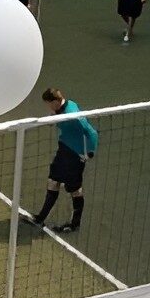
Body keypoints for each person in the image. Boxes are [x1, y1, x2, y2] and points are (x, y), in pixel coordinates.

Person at [28, 89, 98, 234]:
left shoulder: (72, 115)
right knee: (53, 181)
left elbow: (91, 132)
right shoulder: (62, 109)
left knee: (75, 190)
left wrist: (89, 152)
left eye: (49, 104)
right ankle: (40, 218)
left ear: (54, 102)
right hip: (64, 151)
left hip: (74, 156)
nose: (48, 107)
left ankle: (74, 224)